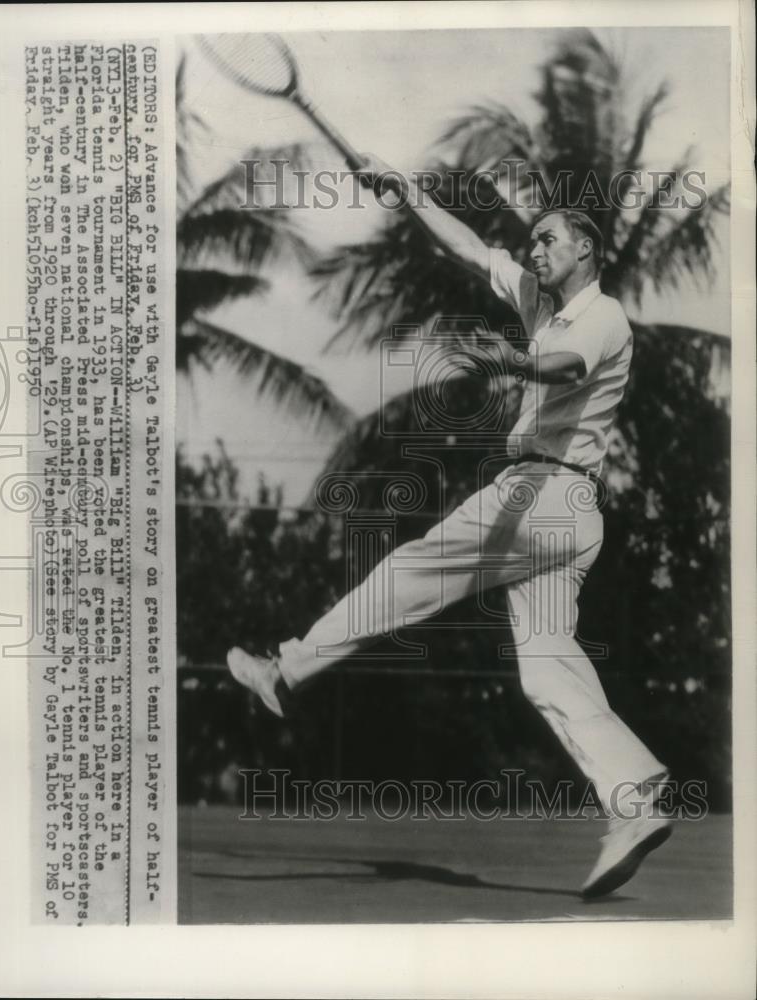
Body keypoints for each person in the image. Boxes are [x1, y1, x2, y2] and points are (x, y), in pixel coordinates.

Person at [227, 157, 672, 899]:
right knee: (548, 666)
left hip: (542, 497)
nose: (536, 249)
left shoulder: (603, 314)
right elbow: (466, 247)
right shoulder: (539, 299)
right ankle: (635, 803)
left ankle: (284, 668)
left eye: (550, 238)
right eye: (532, 241)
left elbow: (562, 368)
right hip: (567, 518)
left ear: (587, 249)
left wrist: (516, 363)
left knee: (407, 573)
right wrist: (406, 195)